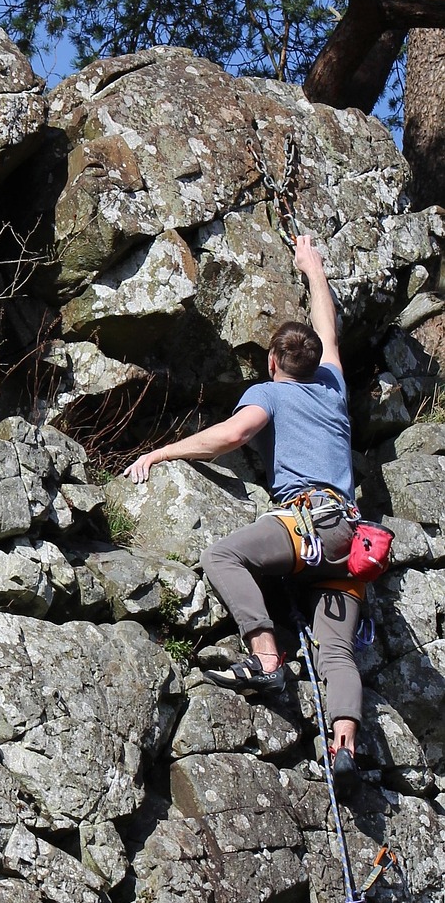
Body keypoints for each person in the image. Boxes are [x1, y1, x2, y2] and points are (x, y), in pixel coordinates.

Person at [124, 234, 361, 793]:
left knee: (223, 554)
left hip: (308, 524)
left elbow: (230, 437)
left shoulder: (273, 393)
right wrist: (313, 266)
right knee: (338, 649)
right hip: (350, 538)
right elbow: (327, 330)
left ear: (273, 361)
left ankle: (266, 661)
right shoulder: (333, 387)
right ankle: (346, 744)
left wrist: (159, 452)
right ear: (315, 363)